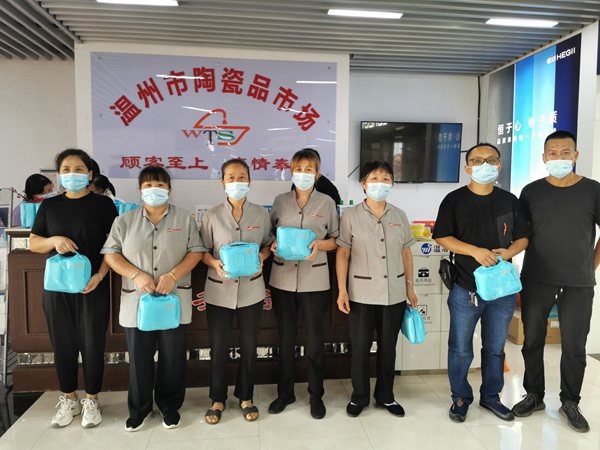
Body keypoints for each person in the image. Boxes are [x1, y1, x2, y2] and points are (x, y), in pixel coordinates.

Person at [102, 166, 204, 431]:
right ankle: (139, 409)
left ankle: (170, 407)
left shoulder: (185, 218)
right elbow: (111, 254)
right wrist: (135, 274)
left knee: (173, 357)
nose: (154, 190)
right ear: (140, 190)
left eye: (160, 185)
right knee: (139, 359)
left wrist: (173, 275)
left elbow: (196, 251)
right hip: (136, 301)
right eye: (148, 185)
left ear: (169, 189)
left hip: (174, 298)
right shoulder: (124, 221)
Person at [433, 143, 528, 423]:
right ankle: (461, 397)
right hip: (466, 288)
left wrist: (508, 253)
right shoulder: (454, 200)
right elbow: (442, 236)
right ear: (467, 167)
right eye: (477, 160)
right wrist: (474, 251)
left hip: (501, 290)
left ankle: (491, 397)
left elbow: (523, 237)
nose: (484, 165)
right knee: (460, 348)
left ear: (499, 165)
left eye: (491, 160)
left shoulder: (510, 201)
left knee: (495, 348)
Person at [512, 130, 600, 433]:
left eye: (565, 153)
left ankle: (570, 401)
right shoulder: (531, 192)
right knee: (532, 340)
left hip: (578, 281)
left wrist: (590, 265)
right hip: (537, 277)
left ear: (576, 156)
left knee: (574, 344)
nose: (559, 158)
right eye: (553, 153)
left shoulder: (593, 190)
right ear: (544, 157)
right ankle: (534, 395)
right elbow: (521, 235)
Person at [29, 149, 118, 428]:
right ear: (58, 175)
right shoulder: (49, 207)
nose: (72, 174)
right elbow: (34, 243)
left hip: (92, 286)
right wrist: (53, 240)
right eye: (66, 170)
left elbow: (114, 247)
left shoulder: (103, 205)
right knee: (63, 345)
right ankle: (69, 399)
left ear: (90, 174)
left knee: (93, 344)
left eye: (79, 169)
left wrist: (100, 276)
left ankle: (92, 399)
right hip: (57, 288)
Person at [336, 160, 418, 418]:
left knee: (388, 347)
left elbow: (406, 253)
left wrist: (410, 288)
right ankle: (359, 396)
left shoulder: (399, 215)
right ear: (363, 184)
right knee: (360, 348)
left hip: (394, 293)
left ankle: (386, 396)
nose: (380, 183)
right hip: (361, 294)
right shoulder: (350, 216)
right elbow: (342, 253)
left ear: (391, 184)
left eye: (385, 179)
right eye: (374, 178)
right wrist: (342, 290)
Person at [199, 158, 273, 425]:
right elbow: (201, 251)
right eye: (231, 177)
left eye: (242, 177)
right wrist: (214, 263)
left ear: (249, 181)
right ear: (222, 182)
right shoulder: (211, 215)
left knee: (249, 347)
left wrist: (262, 257)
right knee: (219, 347)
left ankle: (246, 396)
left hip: (252, 290)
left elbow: (268, 244)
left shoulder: (261, 214)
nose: (236, 182)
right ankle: (217, 398)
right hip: (219, 291)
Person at [268, 148, 339, 420]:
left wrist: (318, 245)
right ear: (291, 171)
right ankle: (285, 393)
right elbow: (270, 236)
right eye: (298, 169)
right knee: (285, 340)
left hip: (315, 280)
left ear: (317, 173)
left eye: (309, 169)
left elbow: (336, 241)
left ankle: (316, 395)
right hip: (283, 279)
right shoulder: (280, 201)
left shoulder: (327, 203)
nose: (303, 174)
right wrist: (273, 244)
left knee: (314, 342)